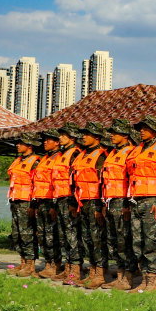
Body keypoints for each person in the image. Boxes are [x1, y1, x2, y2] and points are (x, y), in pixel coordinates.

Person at [127, 116, 156, 293]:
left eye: (145, 128)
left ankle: (153, 281)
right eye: (140, 128)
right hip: (137, 200)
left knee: (152, 241)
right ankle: (145, 280)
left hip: (152, 201)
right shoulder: (138, 149)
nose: (141, 131)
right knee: (138, 242)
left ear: (154, 130)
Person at [101, 119, 138, 290]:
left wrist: (127, 204)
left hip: (122, 201)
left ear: (124, 135)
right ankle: (120, 274)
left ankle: (128, 277)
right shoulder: (113, 153)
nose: (111, 136)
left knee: (124, 241)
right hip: (110, 200)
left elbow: (132, 179)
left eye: (115, 133)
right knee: (114, 241)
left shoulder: (131, 153)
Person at [74, 123, 108, 289]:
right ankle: (92, 271)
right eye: (83, 134)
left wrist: (101, 205)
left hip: (95, 201)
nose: (83, 137)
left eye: (88, 134)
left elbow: (103, 182)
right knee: (88, 239)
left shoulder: (100, 156)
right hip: (83, 201)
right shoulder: (82, 155)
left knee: (97, 239)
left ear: (97, 137)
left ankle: (100, 274)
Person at [50, 123, 83, 285]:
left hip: (70, 199)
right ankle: (68, 267)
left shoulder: (75, 153)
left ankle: (75, 270)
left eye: (63, 135)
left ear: (72, 138)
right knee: (64, 235)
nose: (60, 138)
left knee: (72, 234)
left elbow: (75, 180)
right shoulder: (63, 154)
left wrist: (73, 201)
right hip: (60, 198)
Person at [7, 133, 41, 277]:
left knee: (28, 234)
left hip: (27, 203)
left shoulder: (35, 162)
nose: (17, 145)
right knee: (17, 234)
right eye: (17, 143)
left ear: (29, 146)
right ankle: (22, 262)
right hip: (16, 202)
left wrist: (34, 205)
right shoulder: (18, 161)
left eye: (21, 143)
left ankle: (30, 265)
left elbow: (38, 183)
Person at [34, 130, 62, 279]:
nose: (45, 142)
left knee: (52, 236)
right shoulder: (45, 158)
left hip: (52, 201)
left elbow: (57, 181)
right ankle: (48, 263)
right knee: (43, 235)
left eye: (48, 140)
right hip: (42, 200)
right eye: (44, 140)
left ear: (57, 142)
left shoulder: (59, 158)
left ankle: (55, 264)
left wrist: (54, 205)